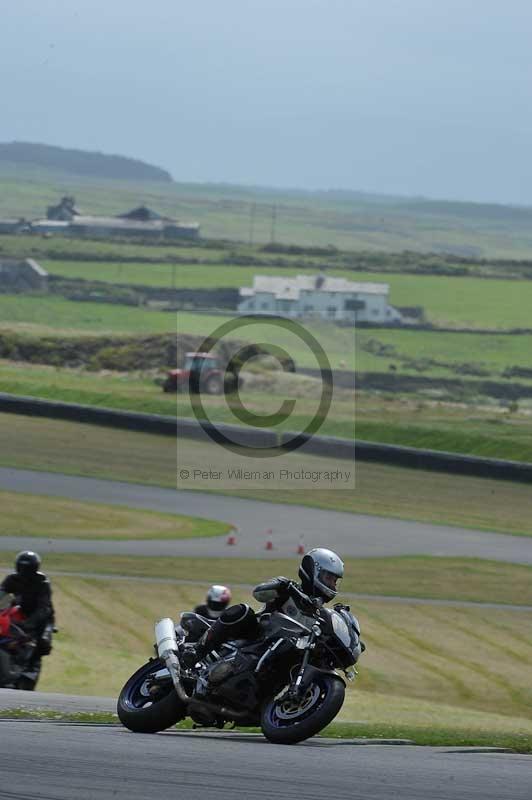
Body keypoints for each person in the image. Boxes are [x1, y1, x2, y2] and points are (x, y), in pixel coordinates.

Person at [182, 548, 345, 667]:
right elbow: (258, 594)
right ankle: (197, 651)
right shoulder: (289, 588)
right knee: (243, 611)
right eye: (328, 577)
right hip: (258, 636)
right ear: (312, 569)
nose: (331, 584)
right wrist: (281, 586)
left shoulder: (321, 616)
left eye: (334, 581)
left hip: (285, 654)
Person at [0, 551, 55, 690]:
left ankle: (30, 671)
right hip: (19, 612)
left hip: (41, 617)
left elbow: (44, 608)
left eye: (27, 568)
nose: (24, 572)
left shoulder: (42, 582)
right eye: (22, 568)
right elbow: (2, 593)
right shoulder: (12, 579)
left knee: (42, 641)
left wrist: (30, 623)